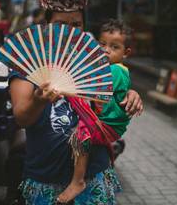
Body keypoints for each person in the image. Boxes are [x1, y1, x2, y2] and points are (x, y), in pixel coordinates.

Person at [9, 0, 143, 204]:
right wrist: (38, 100)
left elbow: (114, 85)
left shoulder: (93, 59)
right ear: (47, 25)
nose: (70, 31)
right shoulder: (28, 61)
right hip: (46, 177)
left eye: (76, 25)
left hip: (94, 175)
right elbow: (21, 118)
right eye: (62, 24)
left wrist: (131, 94)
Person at [57, 19, 133, 203]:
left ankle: (78, 181)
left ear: (126, 53)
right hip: (104, 120)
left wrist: (67, 89)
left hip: (108, 123)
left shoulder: (116, 70)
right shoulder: (105, 68)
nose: (106, 50)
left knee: (80, 135)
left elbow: (96, 93)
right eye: (103, 44)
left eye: (114, 47)